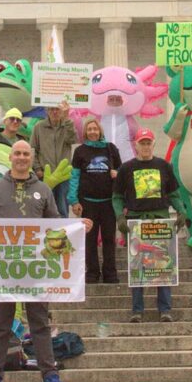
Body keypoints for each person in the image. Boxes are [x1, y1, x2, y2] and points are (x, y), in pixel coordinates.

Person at [0, 140, 92, 382]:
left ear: (31, 158)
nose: (20, 157)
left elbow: (56, 225)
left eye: (25, 154)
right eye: (17, 153)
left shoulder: (43, 190)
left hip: (35, 269)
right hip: (5, 269)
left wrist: (78, 227)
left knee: (40, 322)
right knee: (0, 323)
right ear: (10, 157)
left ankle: (49, 373)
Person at [113, 128, 185, 321]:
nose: (145, 146)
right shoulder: (126, 169)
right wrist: (120, 217)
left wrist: (181, 211)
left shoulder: (164, 166)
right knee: (137, 267)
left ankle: (165, 309)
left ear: (153, 144)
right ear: (135, 145)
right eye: (141, 143)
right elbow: (117, 197)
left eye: (148, 143)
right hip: (136, 222)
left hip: (159, 221)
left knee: (162, 266)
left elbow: (173, 194)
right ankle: (137, 310)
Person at [69, 116, 122, 283]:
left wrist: (117, 174)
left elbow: (122, 171)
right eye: (89, 129)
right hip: (87, 203)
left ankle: (110, 273)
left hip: (108, 203)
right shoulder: (80, 151)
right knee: (89, 240)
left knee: (109, 239)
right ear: (85, 132)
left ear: (100, 131)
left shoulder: (111, 149)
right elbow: (75, 177)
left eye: (95, 129)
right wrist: (73, 200)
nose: (93, 132)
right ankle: (92, 273)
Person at [31, 101, 77, 217]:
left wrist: (67, 120)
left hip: (63, 176)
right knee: (44, 206)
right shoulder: (39, 127)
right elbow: (33, 150)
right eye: (51, 109)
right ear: (47, 111)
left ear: (62, 111)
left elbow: (72, 140)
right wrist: (37, 168)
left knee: (62, 208)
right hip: (45, 175)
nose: (54, 112)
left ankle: (63, 232)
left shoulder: (67, 125)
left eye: (57, 109)